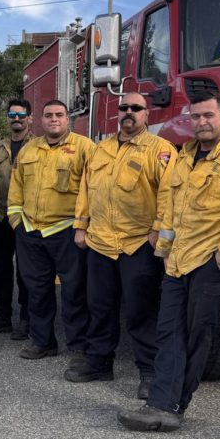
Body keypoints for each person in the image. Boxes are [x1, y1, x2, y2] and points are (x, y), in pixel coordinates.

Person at [118, 92, 220, 432]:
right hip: (177, 263)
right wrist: (166, 251)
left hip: (211, 264)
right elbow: (170, 207)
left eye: (208, 115)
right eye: (196, 116)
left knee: (196, 336)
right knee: (169, 331)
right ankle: (159, 403)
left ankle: (174, 405)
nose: (201, 122)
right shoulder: (183, 157)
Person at [71, 92, 174, 398]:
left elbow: (169, 194)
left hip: (137, 243)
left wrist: (157, 232)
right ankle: (100, 362)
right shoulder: (101, 149)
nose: (129, 112)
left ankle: (149, 370)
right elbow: (86, 191)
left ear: (147, 114)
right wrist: (81, 226)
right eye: (124, 107)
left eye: (136, 108)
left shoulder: (161, 150)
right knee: (99, 306)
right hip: (100, 241)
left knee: (142, 311)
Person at [7, 100, 95, 362]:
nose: (53, 119)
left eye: (59, 114)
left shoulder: (85, 148)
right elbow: (16, 187)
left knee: (74, 291)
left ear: (68, 119)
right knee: (37, 291)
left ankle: (78, 346)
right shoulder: (28, 150)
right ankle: (43, 342)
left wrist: (83, 226)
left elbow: (92, 189)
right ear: (40, 120)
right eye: (48, 115)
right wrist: (16, 221)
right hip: (31, 231)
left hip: (67, 230)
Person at [0, 98, 32, 340]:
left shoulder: (37, 146)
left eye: (21, 115)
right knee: (0, 269)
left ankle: (26, 318)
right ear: (7, 119)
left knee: (26, 271)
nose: (17, 119)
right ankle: (2, 316)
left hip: (25, 218)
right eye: (12, 115)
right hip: (0, 216)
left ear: (29, 118)